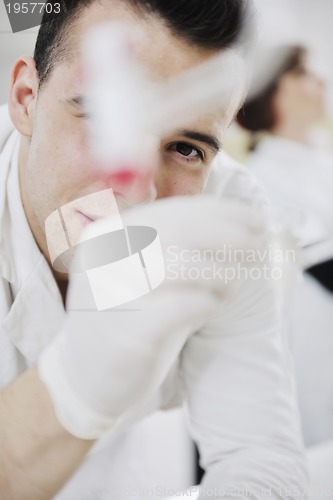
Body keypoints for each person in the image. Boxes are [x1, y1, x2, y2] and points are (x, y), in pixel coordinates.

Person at [0, 2, 308, 499]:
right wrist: (75, 383)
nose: (138, 192)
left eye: (186, 148)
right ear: (26, 98)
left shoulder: (228, 215)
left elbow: (260, 458)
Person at [237, 45, 333, 448]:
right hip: (316, 334)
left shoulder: (322, 159)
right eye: (306, 76)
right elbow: (320, 261)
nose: (322, 83)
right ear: (280, 90)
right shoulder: (262, 177)